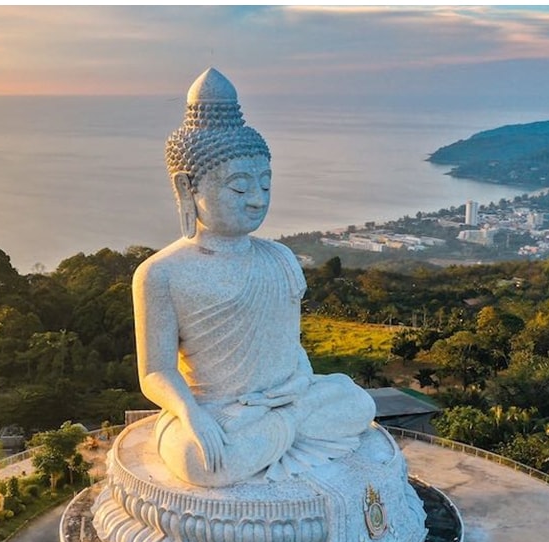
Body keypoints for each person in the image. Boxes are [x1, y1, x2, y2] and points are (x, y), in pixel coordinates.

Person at [133, 68, 375, 487]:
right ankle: (279, 431)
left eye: (265, 184)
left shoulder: (279, 257)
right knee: (200, 461)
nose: (257, 200)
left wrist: (297, 385)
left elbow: (291, 345)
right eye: (240, 189)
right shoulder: (161, 273)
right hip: (216, 411)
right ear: (186, 187)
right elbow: (155, 373)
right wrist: (194, 416)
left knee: (357, 402)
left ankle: (287, 425)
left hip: (287, 400)